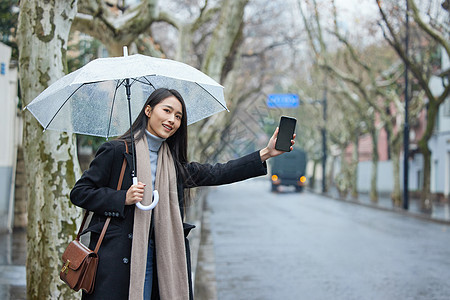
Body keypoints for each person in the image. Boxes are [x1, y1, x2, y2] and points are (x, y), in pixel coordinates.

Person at [70, 88, 295, 300]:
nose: (172, 120)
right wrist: (122, 198)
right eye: (166, 111)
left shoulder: (173, 164)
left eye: (178, 116)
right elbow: (80, 193)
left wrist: (266, 153)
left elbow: (218, 172)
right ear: (148, 111)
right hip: (115, 262)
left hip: (157, 257)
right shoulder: (117, 151)